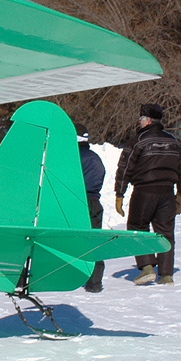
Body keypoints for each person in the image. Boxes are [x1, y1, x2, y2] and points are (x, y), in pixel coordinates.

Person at [114, 103, 181, 285]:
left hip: (144, 192)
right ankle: (166, 275)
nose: (140, 122)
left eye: (141, 119)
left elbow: (124, 168)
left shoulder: (138, 141)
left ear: (148, 120)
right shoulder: (174, 142)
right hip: (167, 193)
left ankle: (147, 267)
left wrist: (119, 194)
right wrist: (179, 195)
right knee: (166, 233)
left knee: (137, 227)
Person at [76, 122, 106, 292]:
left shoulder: (72, 158)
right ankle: (95, 282)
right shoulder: (95, 158)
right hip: (94, 201)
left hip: (77, 203)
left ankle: (69, 276)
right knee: (94, 242)